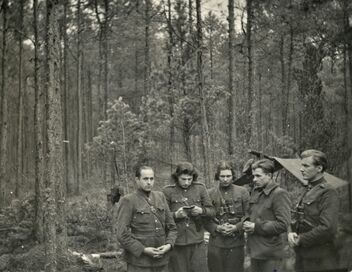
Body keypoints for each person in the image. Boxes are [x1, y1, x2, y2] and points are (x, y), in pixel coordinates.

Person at [114, 166, 177, 272]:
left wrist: (168, 245)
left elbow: (172, 227)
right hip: (139, 263)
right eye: (145, 179)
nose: (149, 182)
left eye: (151, 179)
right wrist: (143, 250)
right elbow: (122, 234)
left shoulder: (160, 197)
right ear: (137, 180)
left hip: (162, 262)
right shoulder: (128, 200)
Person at [288, 149, 339, 272]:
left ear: (319, 168)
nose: (301, 169)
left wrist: (301, 239)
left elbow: (328, 228)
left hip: (320, 260)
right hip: (304, 257)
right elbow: (301, 218)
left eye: (306, 165)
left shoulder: (328, 192)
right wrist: (291, 232)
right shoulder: (309, 189)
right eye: (301, 165)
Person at [162, 162, 215, 272]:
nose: (186, 182)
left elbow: (212, 211)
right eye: (183, 179)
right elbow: (161, 217)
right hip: (177, 243)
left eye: (189, 179)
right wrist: (176, 215)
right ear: (177, 177)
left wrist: (201, 211)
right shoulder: (168, 191)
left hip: (197, 242)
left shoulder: (200, 188)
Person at [243, 159, 291, 272]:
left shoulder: (279, 194)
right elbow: (250, 213)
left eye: (258, 176)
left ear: (269, 175)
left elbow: (283, 224)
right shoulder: (256, 192)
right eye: (254, 176)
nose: (254, 179)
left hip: (271, 255)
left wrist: (256, 227)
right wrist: (246, 221)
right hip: (255, 253)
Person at [205, 160, 250, 272]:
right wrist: (217, 228)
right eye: (222, 176)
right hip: (216, 244)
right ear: (217, 176)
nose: (225, 179)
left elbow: (249, 215)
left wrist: (236, 227)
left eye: (228, 176)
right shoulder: (209, 193)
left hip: (236, 243)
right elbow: (204, 218)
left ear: (233, 176)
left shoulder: (243, 192)